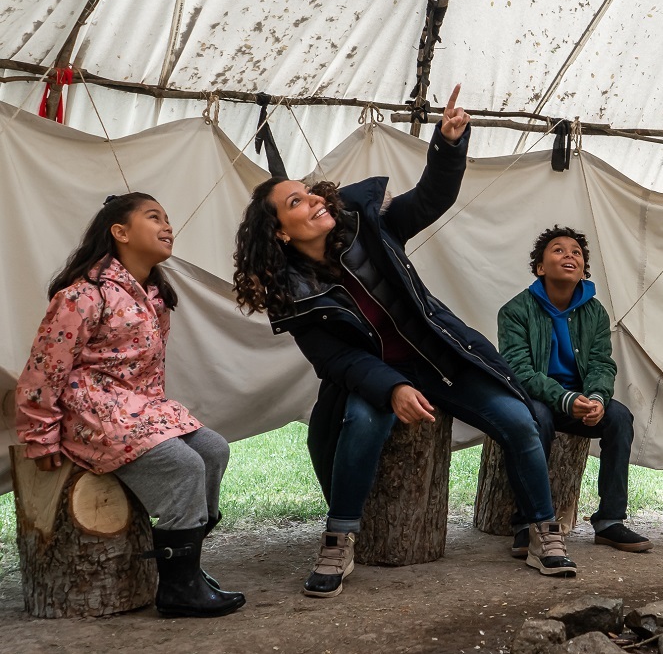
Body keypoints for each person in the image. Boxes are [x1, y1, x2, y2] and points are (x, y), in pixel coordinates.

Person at [233, 85, 577, 598]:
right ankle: (339, 540)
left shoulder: (370, 226)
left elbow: (430, 199)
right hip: (376, 378)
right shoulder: (291, 294)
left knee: (519, 422)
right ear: (280, 231)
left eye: (309, 192)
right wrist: (391, 387)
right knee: (362, 420)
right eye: (296, 201)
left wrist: (448, 144)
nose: (314, 200)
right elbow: (336, 359)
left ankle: (541, 532)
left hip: (443, 358)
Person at [15, 192, 246, 618]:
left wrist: (158, 420)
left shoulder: (154, 296)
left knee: (213, 449)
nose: (168, 226)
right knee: (183, 465)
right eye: (154, 217)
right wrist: (40, 436)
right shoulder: (83, 295)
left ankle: (183, 567)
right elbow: (42, 371)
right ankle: (179, 591)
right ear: (119, 232)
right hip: (91, 413)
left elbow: (148, 374)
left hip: (138, 408)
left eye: (168, 217)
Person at [498, 225, 652, 556]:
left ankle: (609, 522)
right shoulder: (515, 311)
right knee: (536, 419)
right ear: (540, 267)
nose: (569, 255)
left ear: (582, 269)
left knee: (620, 417)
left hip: (579, 401)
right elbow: (519, 372)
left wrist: (596, 398)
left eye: (577, 253)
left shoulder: (594, 312)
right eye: (558, 250)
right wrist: (565, 399)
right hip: (537, 400)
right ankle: (528, 523)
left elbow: (601, 364)